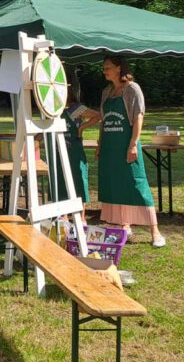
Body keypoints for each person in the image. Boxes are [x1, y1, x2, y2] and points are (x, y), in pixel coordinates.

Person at [96, 55, 166, 247]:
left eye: (108, 67)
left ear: (119, 68)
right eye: (104, 67)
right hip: (110, 148)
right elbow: (104, 121)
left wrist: (133, 143)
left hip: (127, 146)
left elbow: (138, 117)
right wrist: (100, 145)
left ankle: (155, 232)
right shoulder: (106, 92)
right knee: (114, 186)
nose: (105, 70)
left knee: (137, 184)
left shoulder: (132, 89)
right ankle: (123, 226)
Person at [57, 91, 101, 215]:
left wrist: (82, 127)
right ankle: (64, 216)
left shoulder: (76, 109)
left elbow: (99, 116)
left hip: (74, 150)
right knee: (61, 181)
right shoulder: (52, 110)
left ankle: (81, 217)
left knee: (79, 180)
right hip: (58, 150)